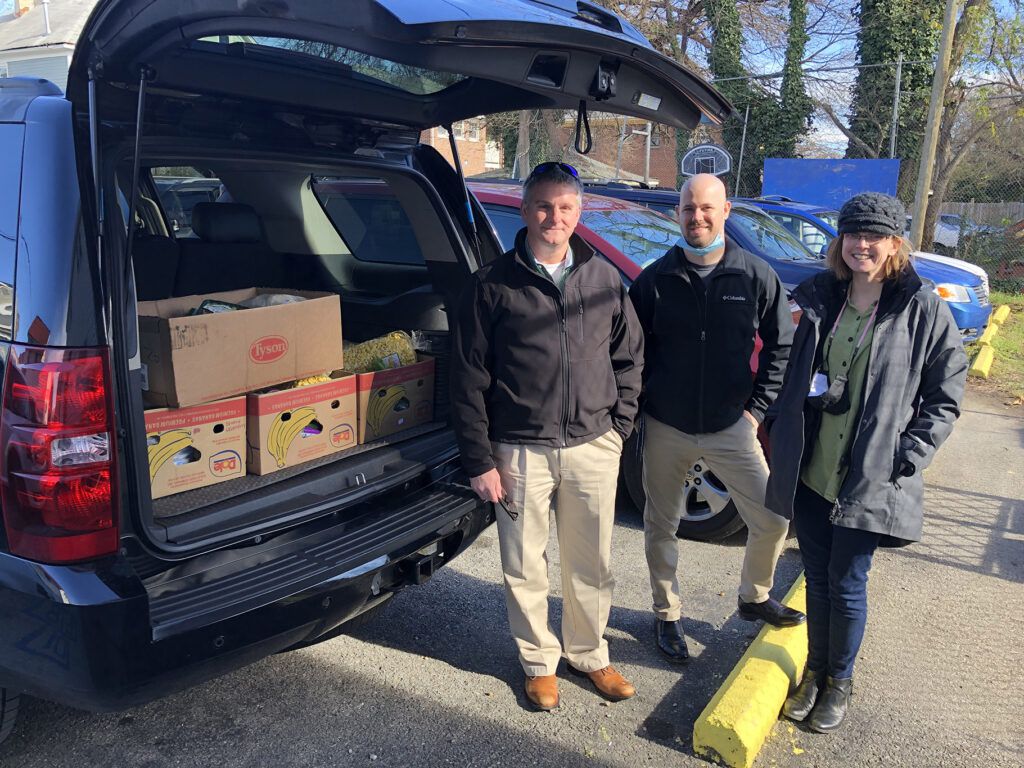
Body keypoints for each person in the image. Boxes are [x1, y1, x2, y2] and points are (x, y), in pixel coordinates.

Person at [765, 192, 968, 732]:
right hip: (813, 465)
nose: (862, 245)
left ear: (895, 244)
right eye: (853, 234)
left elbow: (947, 388)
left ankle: (840, 682)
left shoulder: (919, 305)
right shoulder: (820, 297)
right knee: (817, 577)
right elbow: (793, 369)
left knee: (848, 582)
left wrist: (913, 450)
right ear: (841, 241)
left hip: (871, 471)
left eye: (874, 236)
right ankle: (813, 671)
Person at [450, 162, 644, 711]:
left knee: (592, 561)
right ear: (524, 209)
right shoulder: (491, 286)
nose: (553, 217)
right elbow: (467, 379)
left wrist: (619, 429)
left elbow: (629, 358)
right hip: (518, 451)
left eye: (564, 207)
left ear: (579, 213)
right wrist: (479, 460)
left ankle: (589, 653)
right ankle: (539, 661)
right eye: (543, 206)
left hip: (593, 447)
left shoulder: (604, 279)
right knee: (524, 563)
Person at [628, 173, 804, 665]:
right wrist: (641, 407)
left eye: (707, 208)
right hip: (667, 426)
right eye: (688, 208)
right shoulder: (655, 279)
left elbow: (780, 344)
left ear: (726, 212)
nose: (697, 217)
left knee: (771, 519)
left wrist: (756, 411)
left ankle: (754, 597)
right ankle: (666, 615)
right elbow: (629, 351)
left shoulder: (753, 275)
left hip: (732, 426)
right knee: (661, 525)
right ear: (677, 214)